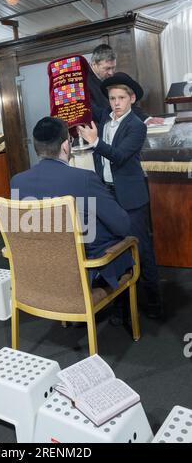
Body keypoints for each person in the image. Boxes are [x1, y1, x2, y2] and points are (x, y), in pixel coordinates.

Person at [9, 116, 134, 291]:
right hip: (82, 276)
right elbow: (122, 226)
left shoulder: (17, 181)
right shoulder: (84, 179)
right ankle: (122, 316)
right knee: (125, 240)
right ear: (66, 146)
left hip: (38, 275)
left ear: (36, 148)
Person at [78, 72, 163, 320]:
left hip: (131, 197)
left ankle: (154, 303)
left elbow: (119, 156)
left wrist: (95, 142)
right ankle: (120, 304)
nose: (116, 103)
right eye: (112, 98)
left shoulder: (136, 125)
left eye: (121, 98)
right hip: (108, 194)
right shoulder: (105, 119)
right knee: (113, 249)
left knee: (142, 248)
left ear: (131, 99)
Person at [88, 44, 164, 125]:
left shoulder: (113, 77)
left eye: (113, 68)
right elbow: (95, 112)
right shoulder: (83, 82)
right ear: (93, 64)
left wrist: (146, 118)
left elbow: (129, 103)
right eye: (107, 68)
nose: (111, 73)